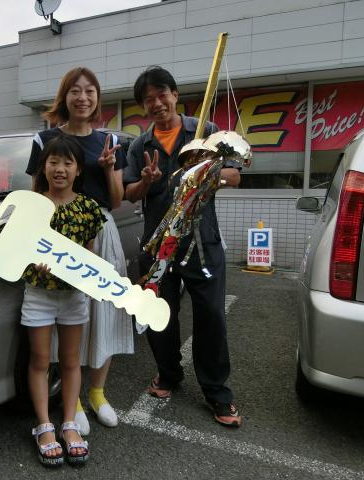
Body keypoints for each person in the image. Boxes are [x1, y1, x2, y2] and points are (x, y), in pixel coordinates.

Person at [123, 66, 243, 427]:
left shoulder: (204, 132)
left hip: (202, 244)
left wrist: (205, 174)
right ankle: (168, 375)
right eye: (149, 100)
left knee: (211, 318)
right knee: (159, 316)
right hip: (158, 246)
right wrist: (146, 181)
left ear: (175, 95)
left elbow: (235, 174)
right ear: (143, 107)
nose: (157, 104)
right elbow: (129, 193)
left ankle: (217, 392)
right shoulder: (139, 146)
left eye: (162, 95)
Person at [26, 67, 133, 434]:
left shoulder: (109, 142)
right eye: (75, 90)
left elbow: (116, 200)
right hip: (58, 231)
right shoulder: (45, 140)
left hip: (99, 231)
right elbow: (34, 193)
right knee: (68, 312)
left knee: (103, 312)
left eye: (90, 91)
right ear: (64, 96)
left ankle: (98, 394)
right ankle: (71, 403)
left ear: (97, 98)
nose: (82, 97)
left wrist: (106, 169)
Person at [22, 133, 105, 466]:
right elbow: (19, 250)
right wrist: (33, 260)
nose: (60, 169)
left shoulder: (88, 208)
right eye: (53, 162)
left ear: (78, 170)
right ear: (43, 168)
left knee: (71, 361)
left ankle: (69, 424)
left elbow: (89, 256)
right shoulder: (31, 205)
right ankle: (44, 426)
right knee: (40, 361)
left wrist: (83, 275)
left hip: (73, 298)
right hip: (38, 294)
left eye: (67, 163)